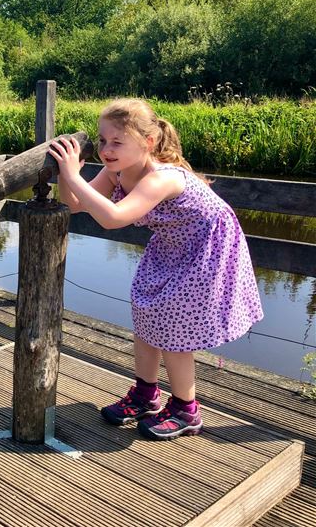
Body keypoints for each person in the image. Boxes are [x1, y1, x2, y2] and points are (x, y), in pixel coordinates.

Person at [48, 98, 263, 441]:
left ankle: (186, 409)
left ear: (147, 142)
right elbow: (73, 205)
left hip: (207, 248)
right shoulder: (116, 170)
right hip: (172, 245)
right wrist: (66, 174)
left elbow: (112, 218)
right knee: (145, 311)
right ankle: (146, 393)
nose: (107, 149)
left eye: (117, 142)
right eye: (102, 141)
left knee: (175, 328)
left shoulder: (160, 178)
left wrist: (74, 175)